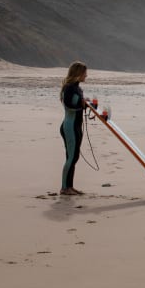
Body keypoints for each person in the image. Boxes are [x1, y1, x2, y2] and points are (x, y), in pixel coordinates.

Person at [59, 61, 88, 195]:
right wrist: (82, 105)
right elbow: (69, 106)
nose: (86, 76)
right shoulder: (69, 88)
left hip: (76, 126)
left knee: (74, 157)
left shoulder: (77, 88)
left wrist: (85, 104)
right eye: (84, 73)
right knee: (71, 157)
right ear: (78, 73)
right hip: (69, 127)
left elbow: (78, 105)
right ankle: (64, 188)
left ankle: (70, 187)